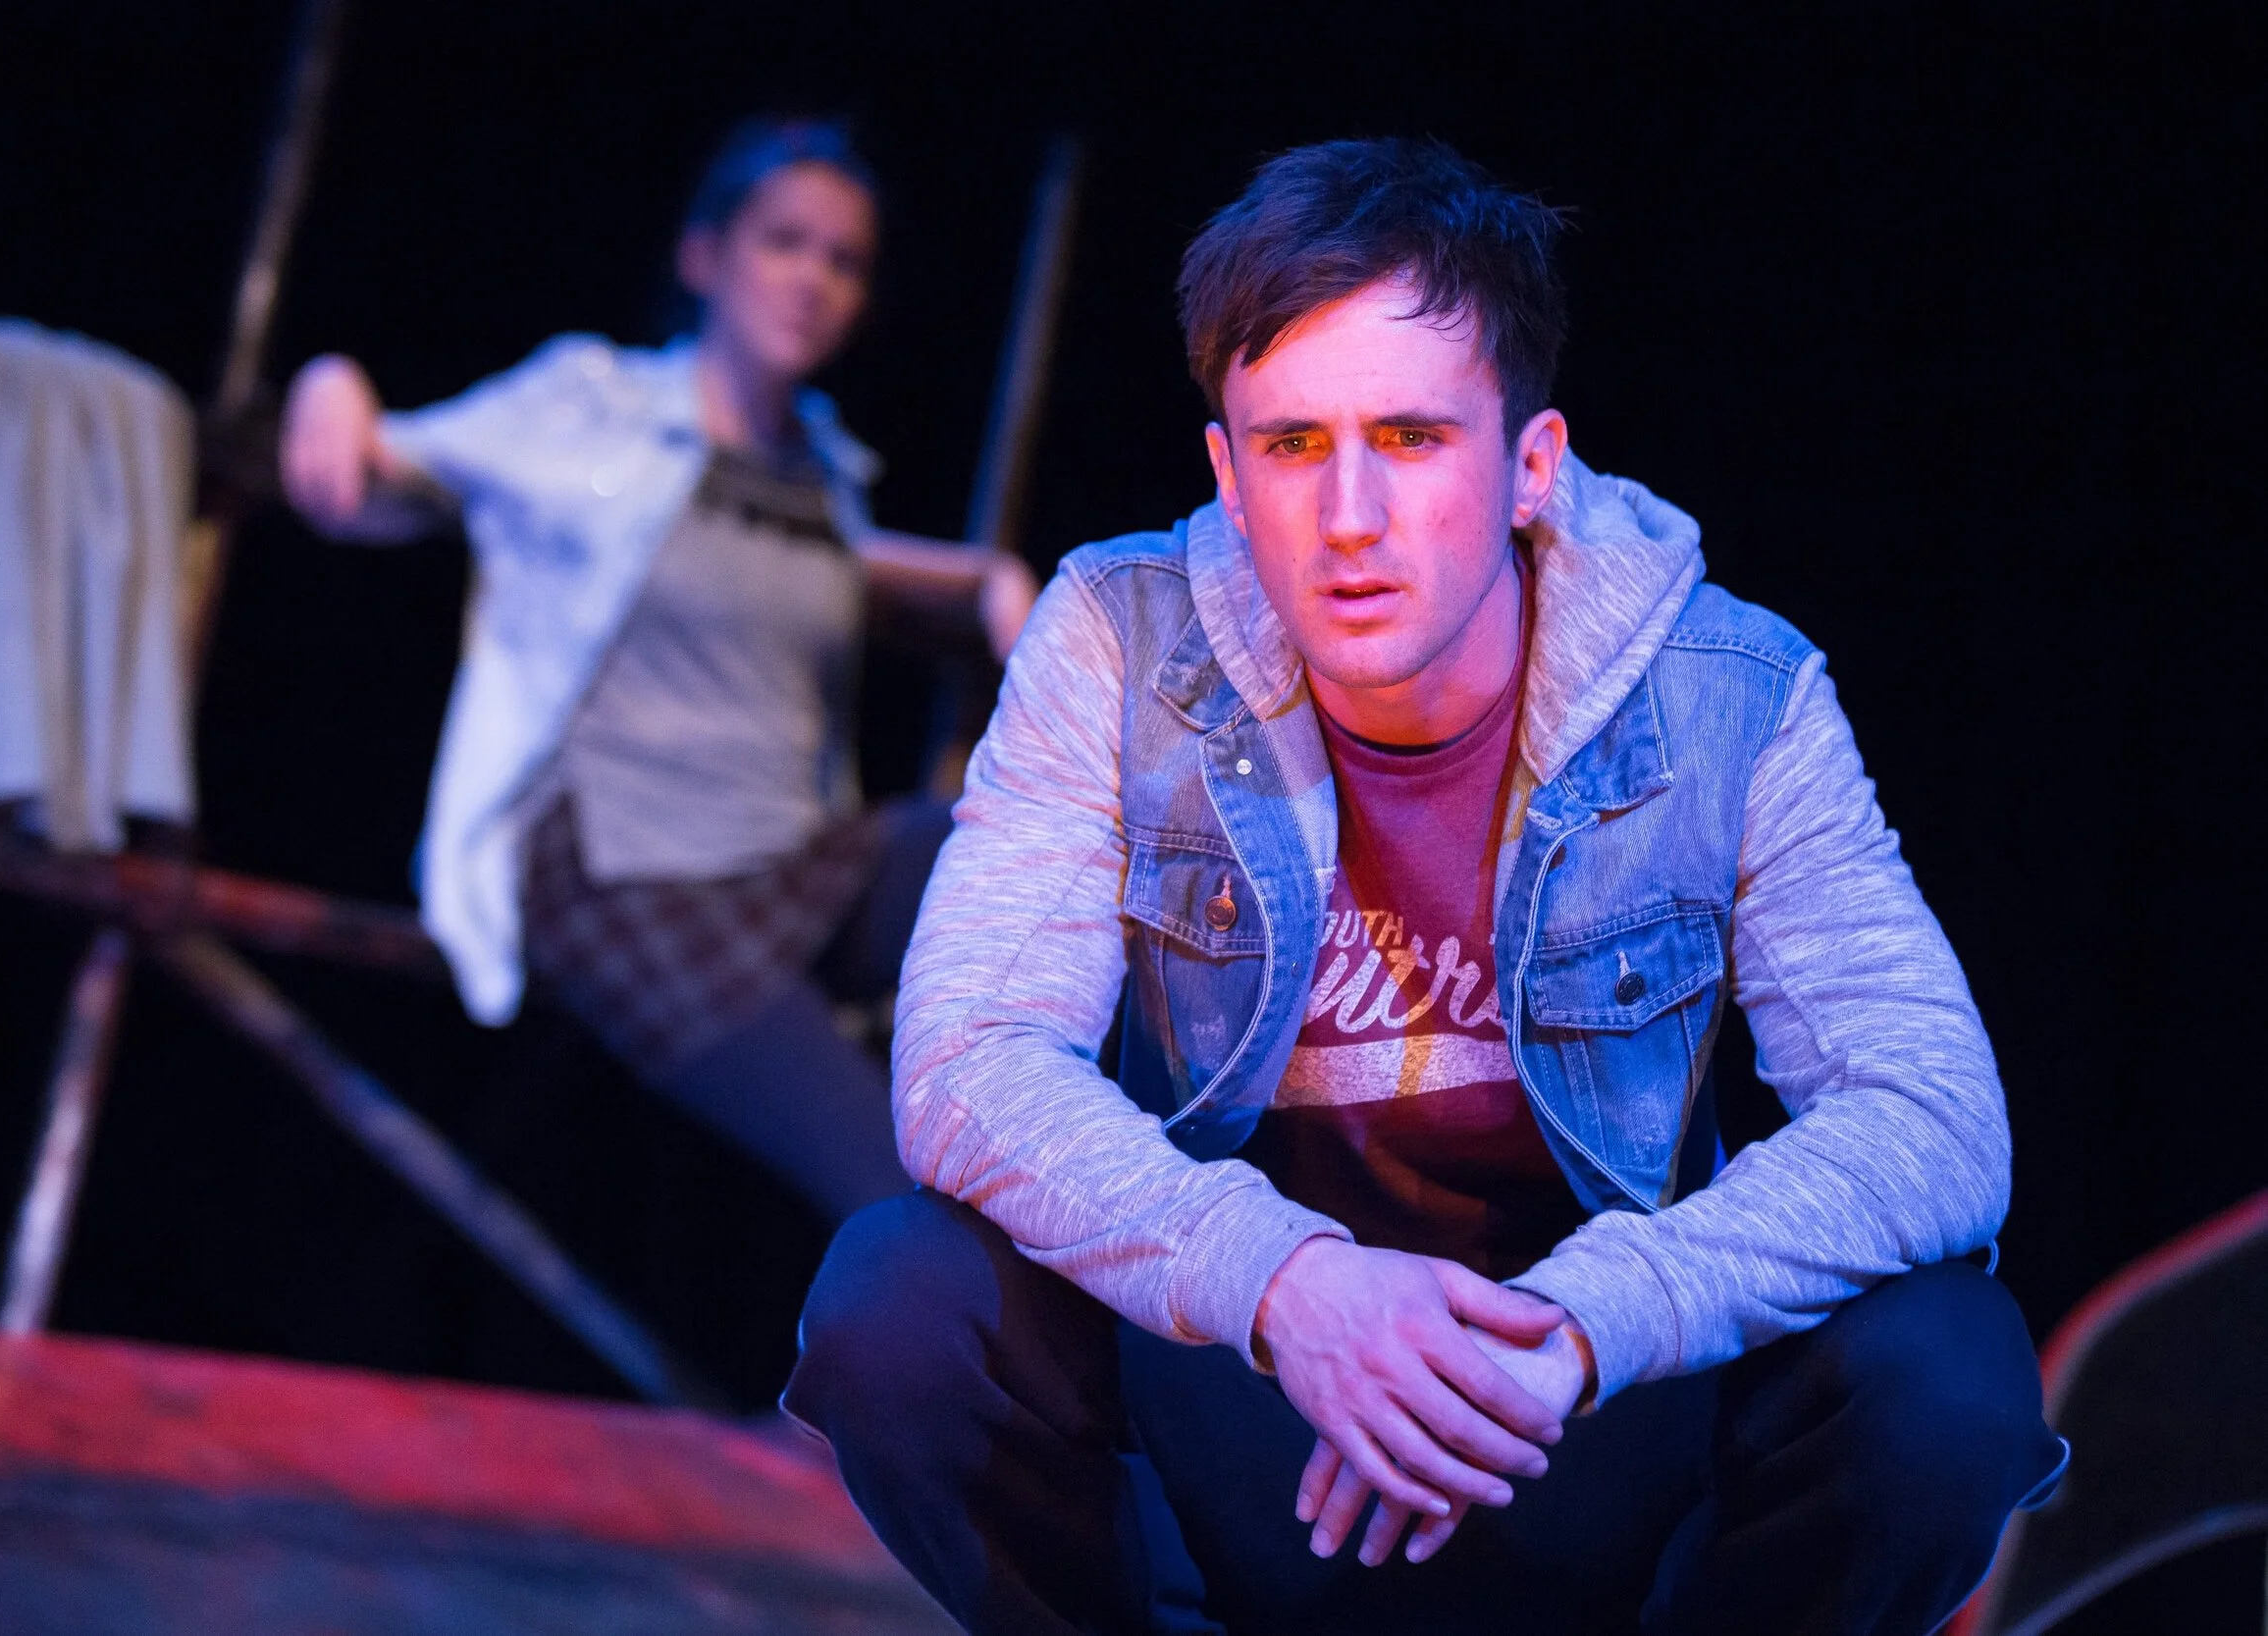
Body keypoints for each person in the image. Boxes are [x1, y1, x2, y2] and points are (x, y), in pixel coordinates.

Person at [784, 137, 2069, 1634]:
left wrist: (1584, 1322)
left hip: (1585, 1402)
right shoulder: (1120, 638)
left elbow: (1932, 1113)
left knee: (1947, 1373)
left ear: (1532, 464)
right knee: (899, 1303)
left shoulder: (1728, 688)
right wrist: (1293, 1286)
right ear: (1227, 473)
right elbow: (966, 1062)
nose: (1349, 516)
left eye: (1409, 437)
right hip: (1258, 1384)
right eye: (1291, 445)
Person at [278, 119, 1035, 1224]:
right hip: (629, 878)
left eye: (844, 260)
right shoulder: (595, 410)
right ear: (704, 256)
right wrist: (330, 382)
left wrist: (991, 579)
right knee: (905, 1189)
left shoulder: (820, 468)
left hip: (791, 859)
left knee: (1059, 852)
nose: (813, 279)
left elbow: (842, 563)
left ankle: (1193, 1160)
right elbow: (385, 474)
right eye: (784, 242)